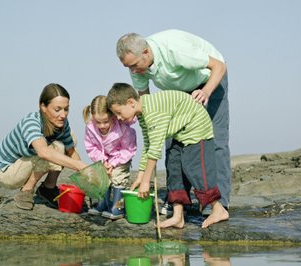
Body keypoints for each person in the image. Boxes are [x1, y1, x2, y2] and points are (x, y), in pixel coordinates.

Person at [116, 29, 231, 213]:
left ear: (145, 52)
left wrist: (206, 92)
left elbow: (219, 66)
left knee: (214, 141)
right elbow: (146, 105)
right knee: (172, 144)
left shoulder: (175, 50)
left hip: (208, 81)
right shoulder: (137, 66)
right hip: (178, 94)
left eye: (135, 65)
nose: (133, 71)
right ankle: (179, 203)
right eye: (128, 67)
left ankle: (219, 204)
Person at [106, 83, 229, 229]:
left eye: (119, 113)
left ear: (131, 103)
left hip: (196, 127)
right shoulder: (141, 113)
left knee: (194, 168)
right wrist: (140, 176)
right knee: (173, 167)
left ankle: (218, 208)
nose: (118, 118)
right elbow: (148, 144)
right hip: (179, 131)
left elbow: (155, 149)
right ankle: (178, 216)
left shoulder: (152, 111)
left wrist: (146, 181)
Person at [0, 83, 87, 210]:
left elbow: (71, 152)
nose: (63, 115)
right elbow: (43, 152)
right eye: (57, 109)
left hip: (27, 163)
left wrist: (89, 173)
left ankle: (48, 188)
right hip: (7, 172)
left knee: (68, 140)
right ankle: (26, 191)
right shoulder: (31, 122)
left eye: (66, 109)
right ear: (43, 106)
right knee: (53, 148)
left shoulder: (62, 123)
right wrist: (79, 166)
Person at [83, 95, 137, 220]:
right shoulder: (90, 128)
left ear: (113, 116)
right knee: (102, 178)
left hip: (120, 159)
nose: (102, 126)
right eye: (98, 122)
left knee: (118, 177)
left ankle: (118, 207)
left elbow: (128, 149)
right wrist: (102, 161)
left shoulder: (123, 129)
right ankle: (103, 204)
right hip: (103, 160)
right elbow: (91, 147)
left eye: (106, 121)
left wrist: (113, 163)